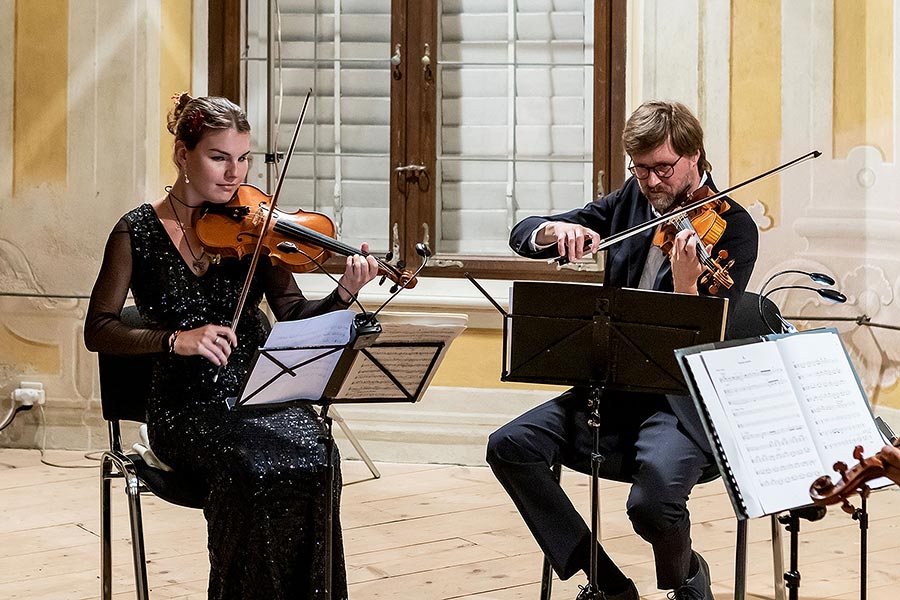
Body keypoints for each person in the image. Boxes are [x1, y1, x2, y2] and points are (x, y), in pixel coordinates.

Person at [84, 93, 379, 600]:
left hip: (258, 395)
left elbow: (292, 314)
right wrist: (176, 340)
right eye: (218, 157)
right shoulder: (135, 232)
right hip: (185, 408)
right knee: (249, 466)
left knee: (319, 454)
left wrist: (344, 294)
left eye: (242, 158)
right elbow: (100, 328)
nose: (234, 173)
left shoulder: (256, 228)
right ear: (182, 153)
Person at [486, 100, 759, 600]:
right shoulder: (629, 203)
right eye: (640, 169)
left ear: (695, 156)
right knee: (510, 446)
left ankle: (687, 576)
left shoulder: (735, 227)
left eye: (662, 168)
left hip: (677, 403)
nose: (651, 183)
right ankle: (607, 583)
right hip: (609, 389)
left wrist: (685, 288)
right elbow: (522, 234)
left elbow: (708, 337)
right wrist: (553, 230)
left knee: (651, 506)